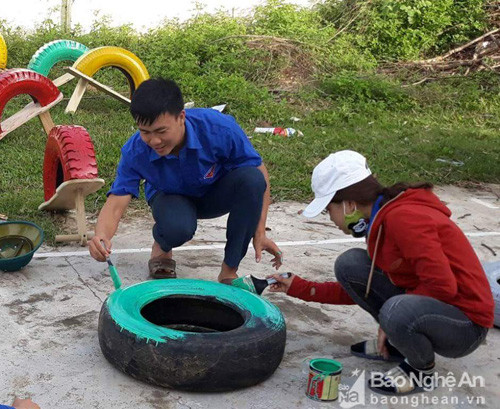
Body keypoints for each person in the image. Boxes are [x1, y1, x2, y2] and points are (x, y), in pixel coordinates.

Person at [268, 150, 494, 395]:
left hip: (465, 326)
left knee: (395, 310)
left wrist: (391, 320)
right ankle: (401, 344)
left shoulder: (402, 219)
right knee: (350, 264)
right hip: (435, 308)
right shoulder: (381, 221)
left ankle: (421, 371)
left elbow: (442, 286)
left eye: (328, 210)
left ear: (348, 204)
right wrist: (302, 288)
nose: (331, 218)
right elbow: (365, 289)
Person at [89, 78, 282, 282]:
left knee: (252, 179)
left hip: (214, 194)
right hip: (169, 198)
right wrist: (102, 236)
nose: (154, 141)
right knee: (178, 227)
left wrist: (259, 232)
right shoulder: (135, 150)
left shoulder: (219, 128)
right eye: (145, 132)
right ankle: (162, 247)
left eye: (161, 131)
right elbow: (117, 201)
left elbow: (259, 172)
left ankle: (229, 271)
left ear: (181, 117)